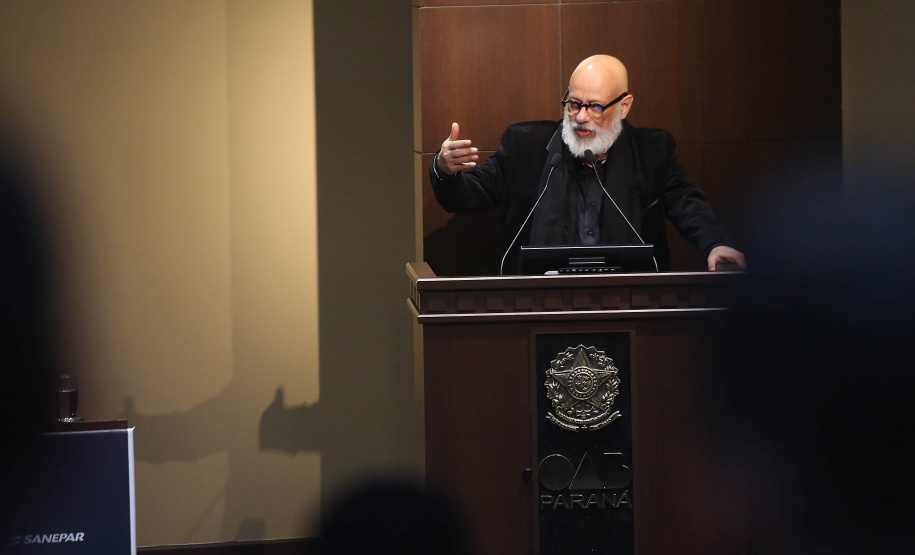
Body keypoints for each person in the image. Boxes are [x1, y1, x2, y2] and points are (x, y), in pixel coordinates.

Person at [430, 54, 746, 274]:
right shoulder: (525, 146)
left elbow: (687, 203)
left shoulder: (651, 152)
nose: (580, 117)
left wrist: (716, 244)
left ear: (624, 106)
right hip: (538, 301)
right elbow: (468, 195)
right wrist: (445, 170)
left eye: (594, 107)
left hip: (627, 301)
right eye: (573, 104)